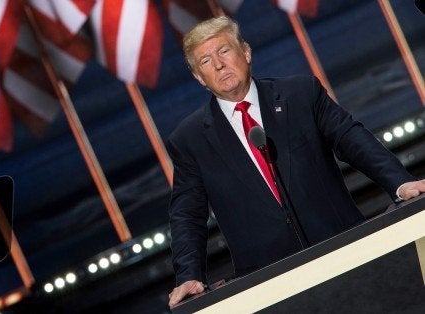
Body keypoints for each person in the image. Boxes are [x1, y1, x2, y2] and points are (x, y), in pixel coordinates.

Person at [167, 16, 425, 307]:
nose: (218, 64)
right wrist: (188, 274)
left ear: (246, 52)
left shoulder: (300, 93)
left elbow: (351, 139)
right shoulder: (189, 140)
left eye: (224, 51)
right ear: (200, 78)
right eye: (205, 61)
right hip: (268, 284)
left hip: (348, 252)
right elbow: (187, 213)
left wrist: (400, 183)